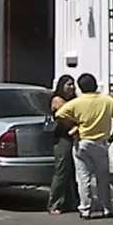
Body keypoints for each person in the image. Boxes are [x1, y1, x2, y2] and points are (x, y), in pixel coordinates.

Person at [55, 73, 113, 219]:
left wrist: (75, 126)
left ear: (81, 87)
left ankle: (85, 209)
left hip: (82, 142)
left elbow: (59, 114)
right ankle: (107, 208)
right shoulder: (107, 100)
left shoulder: (77, 102)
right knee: (102, 177)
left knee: (83, 177)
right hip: (100, 143)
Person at [47, 75, 78, 215]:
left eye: (73, 85)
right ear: (62, 86)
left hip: (75, 138)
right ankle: (54, 203)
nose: (72, 87)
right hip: (63, 139)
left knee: (74, 172)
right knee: (62, 171)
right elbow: (68, 116)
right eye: (69, 84)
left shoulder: (75, 100)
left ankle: (72, 202)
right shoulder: (58, 100)